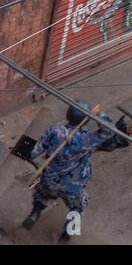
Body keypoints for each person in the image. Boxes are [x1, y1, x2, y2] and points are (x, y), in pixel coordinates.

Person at [22, 100, 115, 244]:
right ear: (86, 119)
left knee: (41, 193)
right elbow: (109, 130)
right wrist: (99, 114)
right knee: (79, 205)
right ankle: (66, 235)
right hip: (72, 184)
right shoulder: (86, 139)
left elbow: (33, 151)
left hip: (50, 179)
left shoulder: (54, 131)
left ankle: (35, 213)